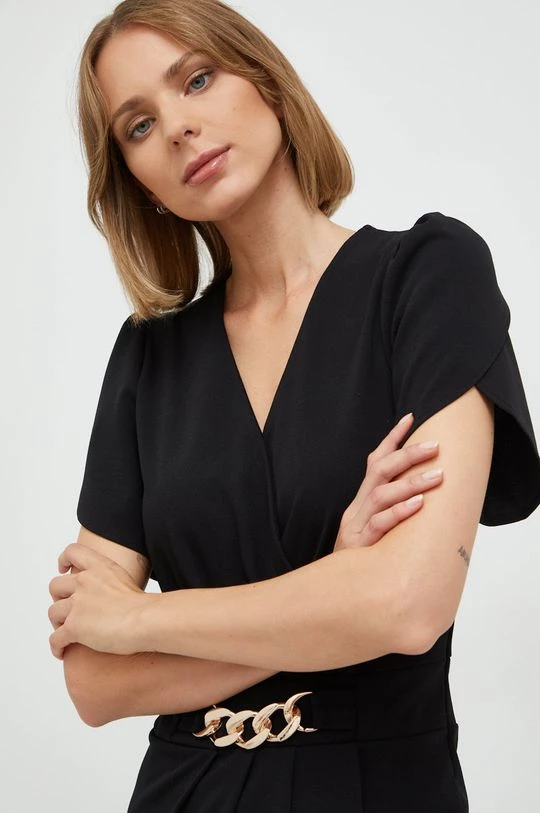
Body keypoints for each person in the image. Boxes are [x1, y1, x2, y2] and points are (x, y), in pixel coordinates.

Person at [47, 1, 540, 811]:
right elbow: (94, 683)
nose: (178, 128)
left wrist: (137, 621)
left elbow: (407, 603)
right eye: (138, 126)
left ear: (267, 81)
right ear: (137, 180)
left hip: (378, 787)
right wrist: (334, 583)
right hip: (184, 790)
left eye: (196, 80)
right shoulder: (147, 356)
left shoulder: (428, 278)